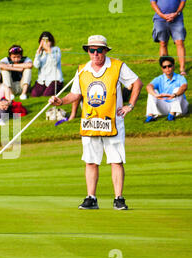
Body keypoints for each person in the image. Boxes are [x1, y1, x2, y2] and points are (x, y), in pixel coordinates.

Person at [48, 35, 143, 211]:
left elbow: (137, 83)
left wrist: (130, 105)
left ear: (106, 51)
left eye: (99, 50)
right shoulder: (82, 70)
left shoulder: (117, 66)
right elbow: (75, 94)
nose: (96, 53)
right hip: (90, 123)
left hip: (112, 122)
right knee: (91, 161)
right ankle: (91, 198)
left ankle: (118, 198)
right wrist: (60, 101)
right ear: (88, 51)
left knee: (116, 160)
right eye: (92, 50)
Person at [150, 0, 187, 76]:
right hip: (160, 19)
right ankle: (166, 69)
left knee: (180, 42)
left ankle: (182, 69)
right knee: (163, 43)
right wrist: (162, 15)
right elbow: (153, 2)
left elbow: (183, 0)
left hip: (177, 19)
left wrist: (176, 13)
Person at [145, 56, 188, 122]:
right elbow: (148, 86)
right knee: (152, 92)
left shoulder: (180, 77)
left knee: (178, 89)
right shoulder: (159, 78)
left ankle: (172, 115)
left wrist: (174, 95)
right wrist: (155, 95)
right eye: (164, 67)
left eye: (169, 66)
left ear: (173, 66)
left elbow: (184, 87)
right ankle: (150, 115)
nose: (167, 68)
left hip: (180, 107)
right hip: (164, 106)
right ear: (162, 69)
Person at [31, 32, 63, 98]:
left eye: (47, 41)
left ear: (51, 42)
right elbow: (36, 65)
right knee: (34, 94)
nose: (45, 44)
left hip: (55, 79)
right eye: (43, 41)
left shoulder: (56, 49)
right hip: (42, 80)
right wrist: (38, 54)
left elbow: (55, 62)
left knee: (47, 94)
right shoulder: (40, 51)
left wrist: (49, 50)